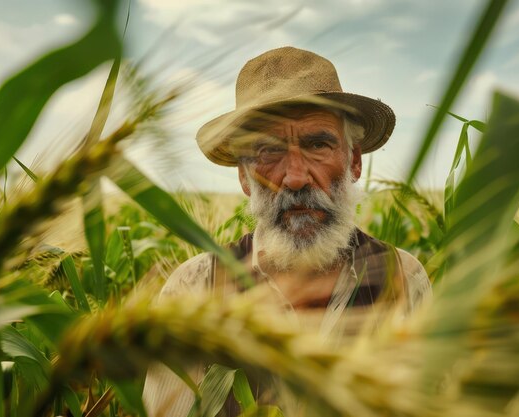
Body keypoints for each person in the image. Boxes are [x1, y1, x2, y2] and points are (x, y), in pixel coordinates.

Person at [143, 46, 431, 416]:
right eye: (268, 150)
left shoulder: (405, 279)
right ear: (245, 177)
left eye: (317, 145)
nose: (295, 178)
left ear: (353, 161)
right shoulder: (194, 289)